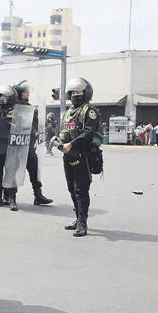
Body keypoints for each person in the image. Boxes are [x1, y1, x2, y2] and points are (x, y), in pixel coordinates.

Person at [57, 77, 101, 237]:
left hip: (83, 154)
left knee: (81, 189)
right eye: (73, 92)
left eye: (79, 92)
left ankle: (83, 223)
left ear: (86, 93)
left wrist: (71, 145)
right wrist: (58, 141)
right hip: (68, 155)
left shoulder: (89, 110)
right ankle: (77, 218)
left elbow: (89, 132)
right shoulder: (68, 112)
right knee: (71, 187)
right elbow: (63, 130)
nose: (76, 95)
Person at [12, 80, 53, 206]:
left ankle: (38, 195)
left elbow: (36, 125)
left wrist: (38, 130)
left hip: (28, 145)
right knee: (14, 171)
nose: (28, 94)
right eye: (25, 92)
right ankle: (11, 198)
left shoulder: (30, 108)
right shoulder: (13, 107)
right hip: (16, 145)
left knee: (34, 169)